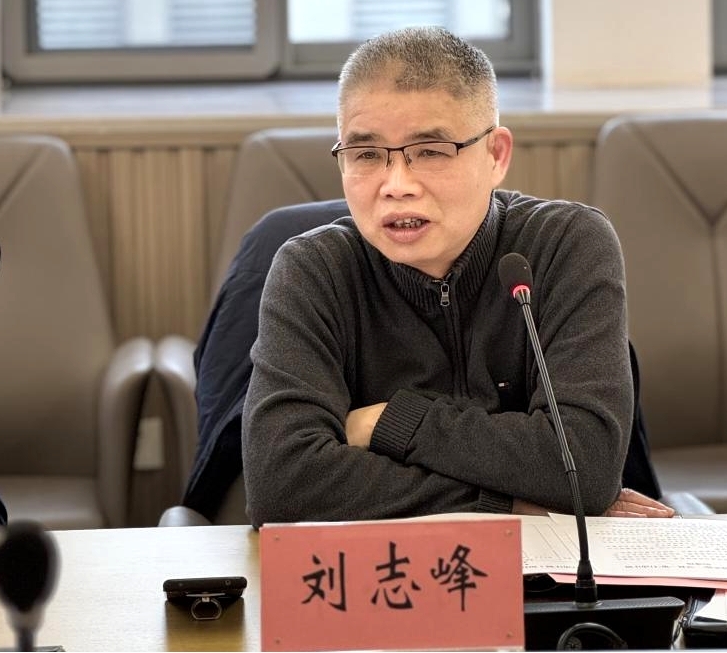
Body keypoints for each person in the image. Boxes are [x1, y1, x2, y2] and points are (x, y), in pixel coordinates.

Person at [241, 26, 674, 528]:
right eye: (366, 155)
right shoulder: (313, 270)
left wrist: (390, 421)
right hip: (385, 572)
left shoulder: (566, 244)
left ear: (496, 156)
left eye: (430, 151)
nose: (396, 186)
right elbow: (283, 485)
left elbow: (585, 467)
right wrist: (504, 505)